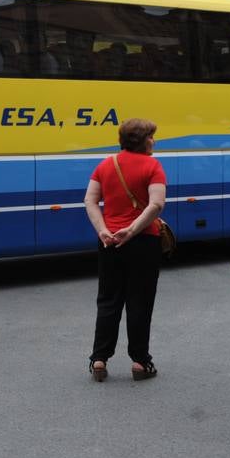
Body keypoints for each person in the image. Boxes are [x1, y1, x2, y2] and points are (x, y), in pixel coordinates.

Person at [84, 118, 166, 382]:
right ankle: (140, 362)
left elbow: (90, 200)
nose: (154, 141)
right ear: (143, 141)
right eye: (151, 137)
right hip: (143, 242)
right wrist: (132, 230)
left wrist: (102, 230)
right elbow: (156, 205)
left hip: (109, 242)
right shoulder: (153, 166)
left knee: (108, 300)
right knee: (140, 301)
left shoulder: (106, 165)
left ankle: (99, 359)